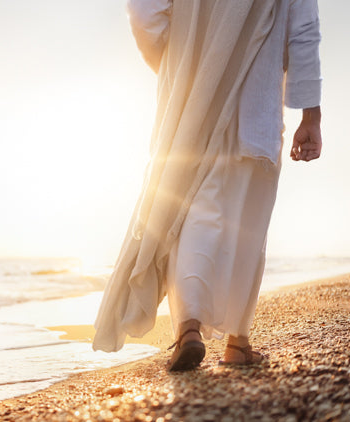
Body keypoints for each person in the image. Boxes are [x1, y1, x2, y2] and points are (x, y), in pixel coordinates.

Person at [93, 0, 323, 371]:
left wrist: (179, 65)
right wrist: (311, 116)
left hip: (193, 100)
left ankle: (189, 330)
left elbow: (143, 13)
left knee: (197, 212)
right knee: (249, 223)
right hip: (257, 100)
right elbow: (303, 32)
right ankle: (238, 343)